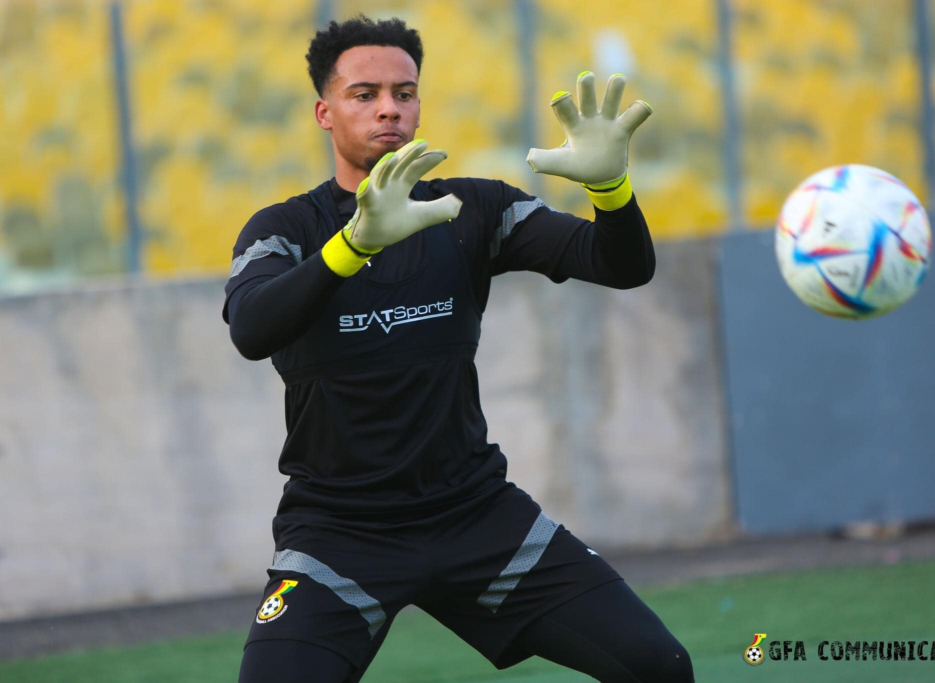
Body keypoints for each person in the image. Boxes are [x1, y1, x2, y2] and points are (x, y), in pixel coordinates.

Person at [225, 14, 694, 683]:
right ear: (325, 112)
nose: (389, 107)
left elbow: (620, 265)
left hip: (476, 518)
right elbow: (251, 327)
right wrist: (354, 243)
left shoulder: (470, 209)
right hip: (339, 535)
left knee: (660, 664)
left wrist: (610, 190)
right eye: (365, 94)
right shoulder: (286, 229)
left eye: (405, 91)